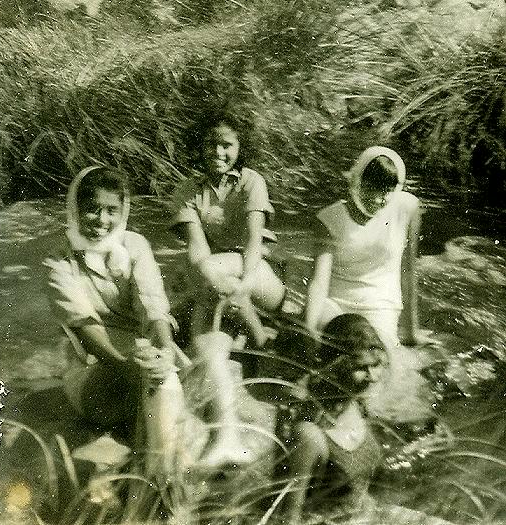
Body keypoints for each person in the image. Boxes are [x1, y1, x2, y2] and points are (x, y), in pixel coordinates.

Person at [44, 166, 192, 479]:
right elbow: (84, 325)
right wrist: (126, 366)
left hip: (140, 351)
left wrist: (164, 350)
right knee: (158, 388)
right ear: (76, 209)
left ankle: (161, 477)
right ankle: (161, 479)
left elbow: (153, 305)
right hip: (92, 364)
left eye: (111, 210)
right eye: (92, 209)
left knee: (163, 376)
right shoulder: (58, 258)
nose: (102, 220)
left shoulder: (134, 245)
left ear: (122, 210)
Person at [169, 111, 286, 469]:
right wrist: (218, 284)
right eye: (211, 144)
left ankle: (245, 336)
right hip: (217, 281)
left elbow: (253, 244)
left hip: (259, 277)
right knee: (189, 275)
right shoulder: (187, 191)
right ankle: (227, 430)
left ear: (239, 148)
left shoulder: (252, 182)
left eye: (227, 144)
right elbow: (197, 251)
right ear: (199, 147)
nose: (218, 152)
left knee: (198, 280)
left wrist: (240, 289)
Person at [306, 146, 421, 368]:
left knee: (373, 362)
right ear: (357, 180)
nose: (379, 199)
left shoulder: (407, 208)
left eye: (387, 190)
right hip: (335, 306)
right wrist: (309, 331)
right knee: (328, 358)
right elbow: (319, 282)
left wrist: (411, 334)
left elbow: (409, 272)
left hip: (379, 308)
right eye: (371, 188)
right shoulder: (329, 218)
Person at [283, 314, 388, 524]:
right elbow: (290, 516)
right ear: (336, 365)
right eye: (361, 368)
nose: (373, 377)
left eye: (375, 365)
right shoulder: (310, 433)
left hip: (368, 514)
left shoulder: (357, 403)